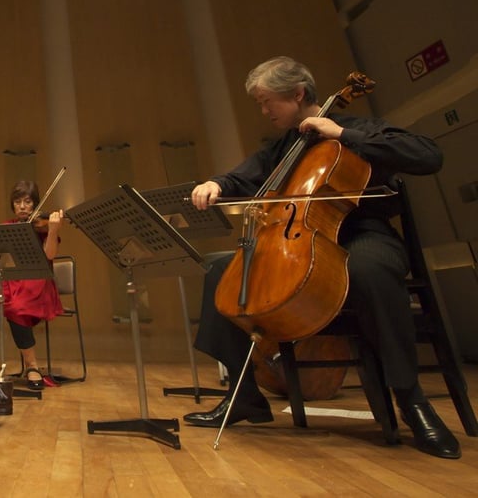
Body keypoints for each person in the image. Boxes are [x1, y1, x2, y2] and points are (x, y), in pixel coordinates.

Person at [183, 56, 460, 459]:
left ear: (297, 94)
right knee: (221, 269)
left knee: (369, 272)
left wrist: (344, 134)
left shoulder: (362, 127)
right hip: (295, 239)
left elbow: (428, 155)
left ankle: (411, 399)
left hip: (361, 234)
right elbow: (243, 176)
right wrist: (215, 183)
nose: (264, 111)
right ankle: (244, 397)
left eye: (267, 101)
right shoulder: (284, 145)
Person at [0, 181, 64, 390]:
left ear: (35, 204)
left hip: (36, 283)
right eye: (17, 202)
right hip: (10, 280)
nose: (22, 206)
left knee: (16, 306)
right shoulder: (8, 227)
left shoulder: (43, 229)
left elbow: (50, 255)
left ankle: (32, 365)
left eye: (27, 202)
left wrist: (54, 229)